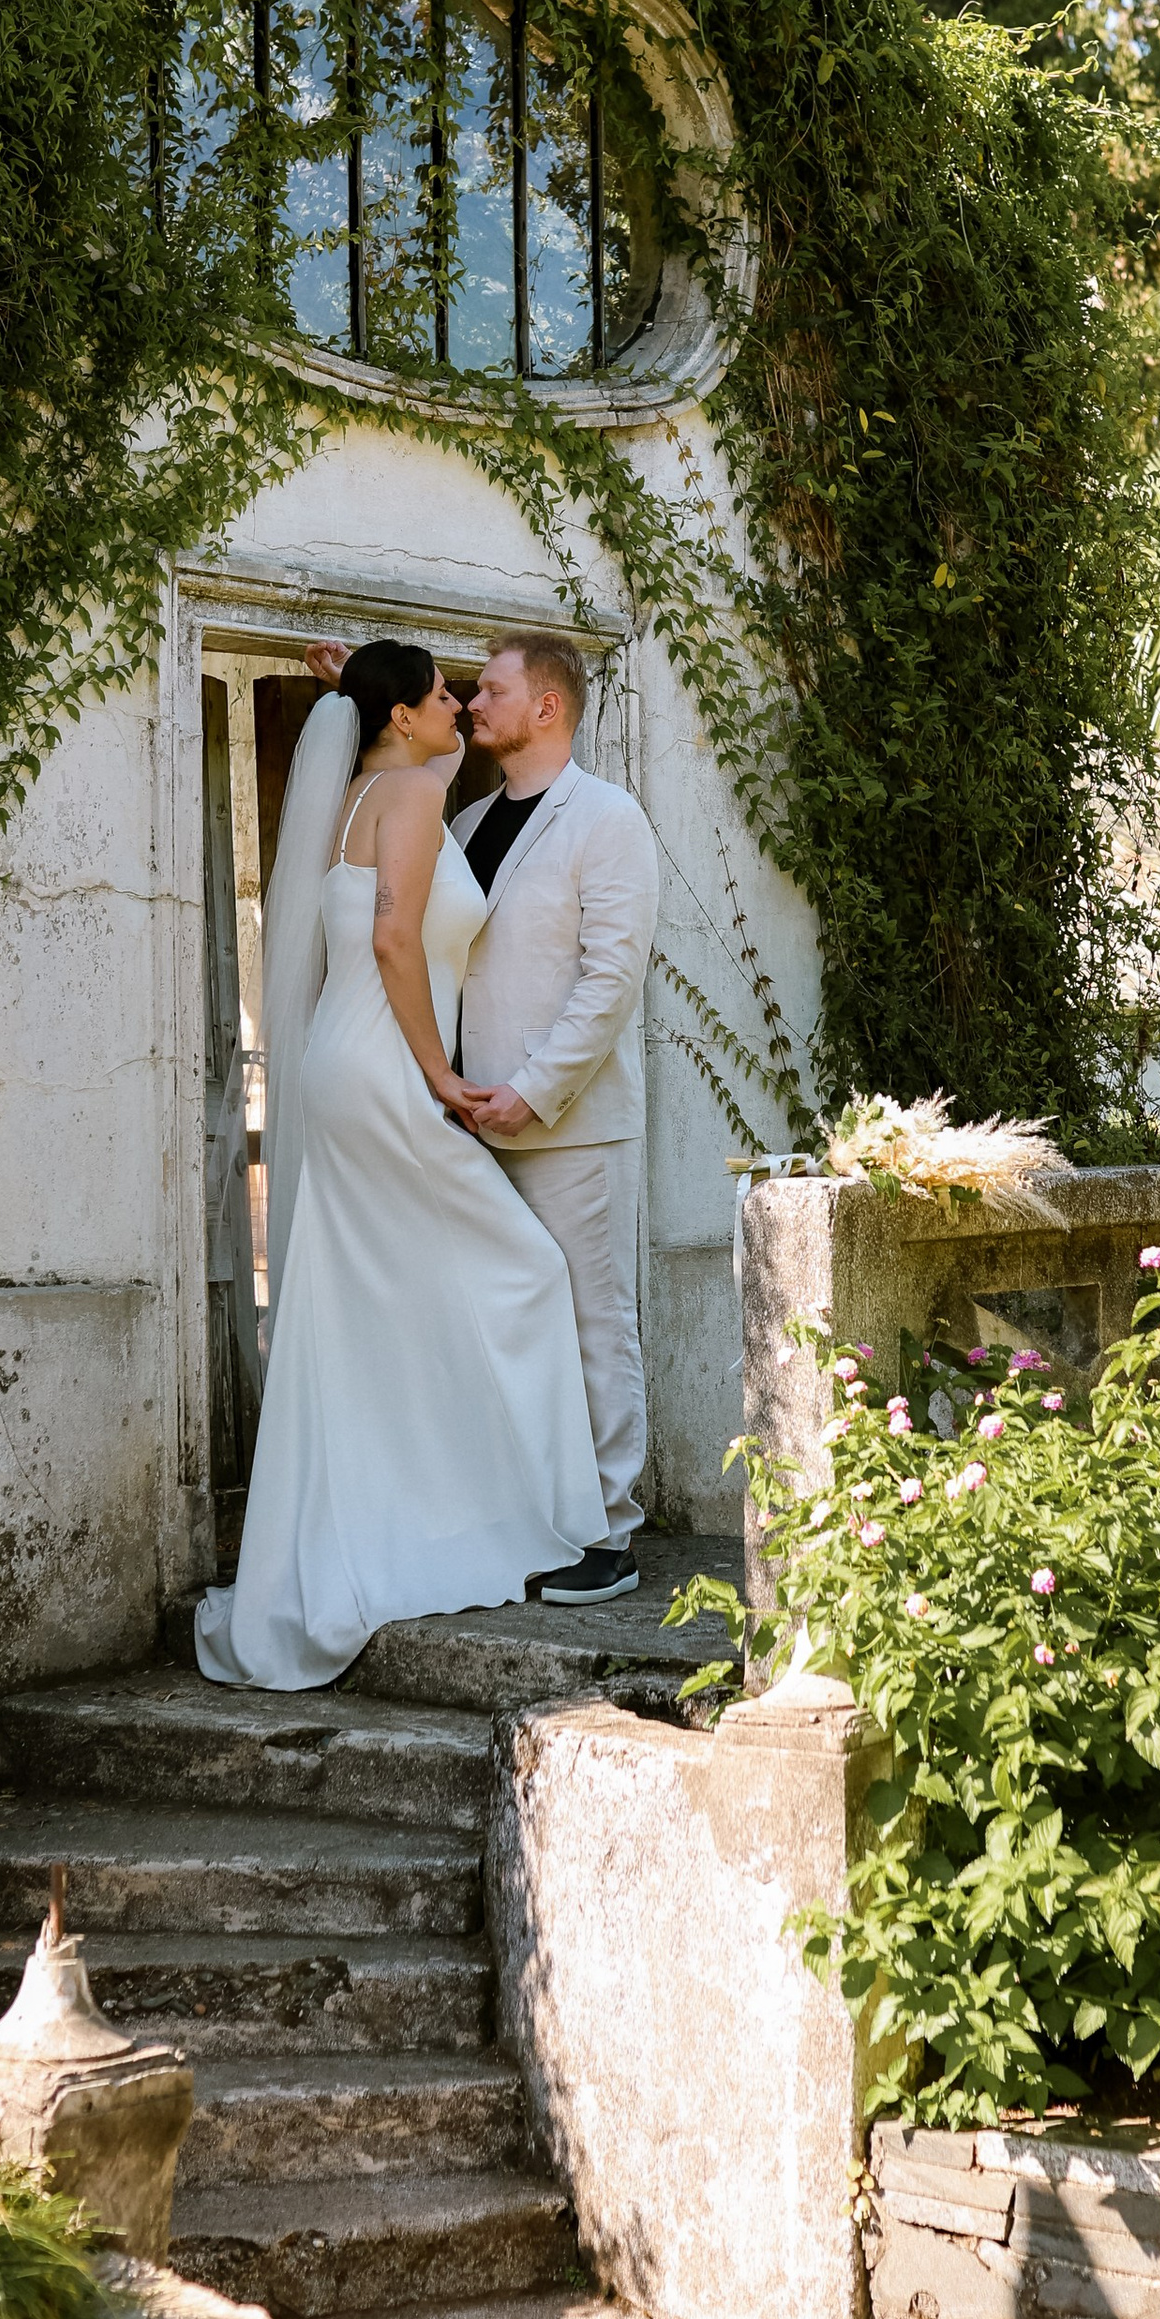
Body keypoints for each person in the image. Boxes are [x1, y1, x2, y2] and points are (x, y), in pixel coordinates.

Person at [193, 639, 600, 1691]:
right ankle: (539, 1517)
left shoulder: (363, 790)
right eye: (441, 695)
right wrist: (442, 1075)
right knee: (525, 1269)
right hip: (387, 1071)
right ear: (403, 718)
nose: (460, 705)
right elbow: (391, 942)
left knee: (366, 1297)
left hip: (341, 1066)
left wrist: (356, 687)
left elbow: (384, 900)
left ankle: (400, 1512)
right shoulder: (414, 796)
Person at [449, 634, 660, 1605]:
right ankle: (531, 1516)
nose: (472, 700)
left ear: (547, 707)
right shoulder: (466, 822)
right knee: (504, 1328)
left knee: (591, 1325)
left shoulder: (607, 819)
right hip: (467, 1127)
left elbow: (610, 980)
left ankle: (608, 1534)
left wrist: (532, 1088)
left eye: (490, 688)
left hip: (569, 1126)